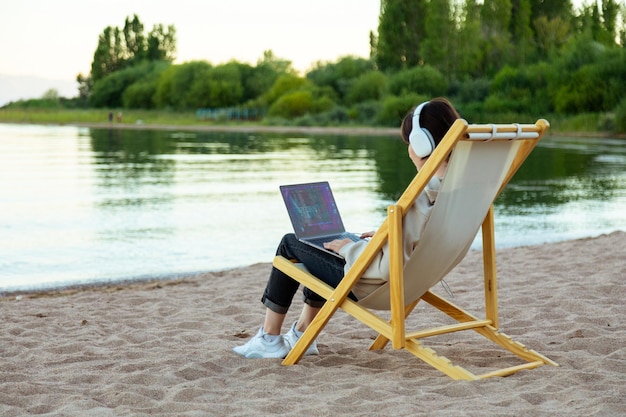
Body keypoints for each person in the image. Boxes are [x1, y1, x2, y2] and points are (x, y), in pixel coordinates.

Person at [233, 97, 461, 359]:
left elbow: (387, 267)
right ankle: (302, 334)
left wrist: (351, 249)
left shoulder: (421, 194)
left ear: (422, 144)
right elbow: (425, 237)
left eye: (410, 141)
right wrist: (389, 235)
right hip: (417, 278)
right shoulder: (457, 190)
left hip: (374, 284)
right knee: (320, 246)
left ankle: (269, 338)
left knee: (291, 243)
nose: (408, 148)